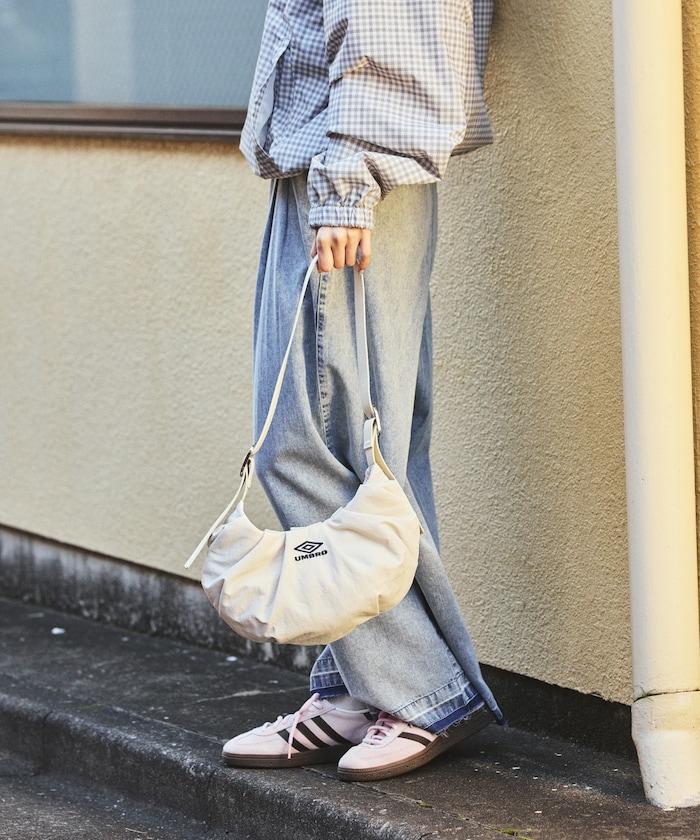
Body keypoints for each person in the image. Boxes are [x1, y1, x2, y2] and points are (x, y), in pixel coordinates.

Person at [222, 0, 507, 782]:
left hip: (349, 174)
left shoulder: (351, 174)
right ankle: (361, 685)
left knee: (306, 445)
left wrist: (349, 182)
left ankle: (421, 690)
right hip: (338, 166)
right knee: (373, 462)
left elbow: (392, 16)